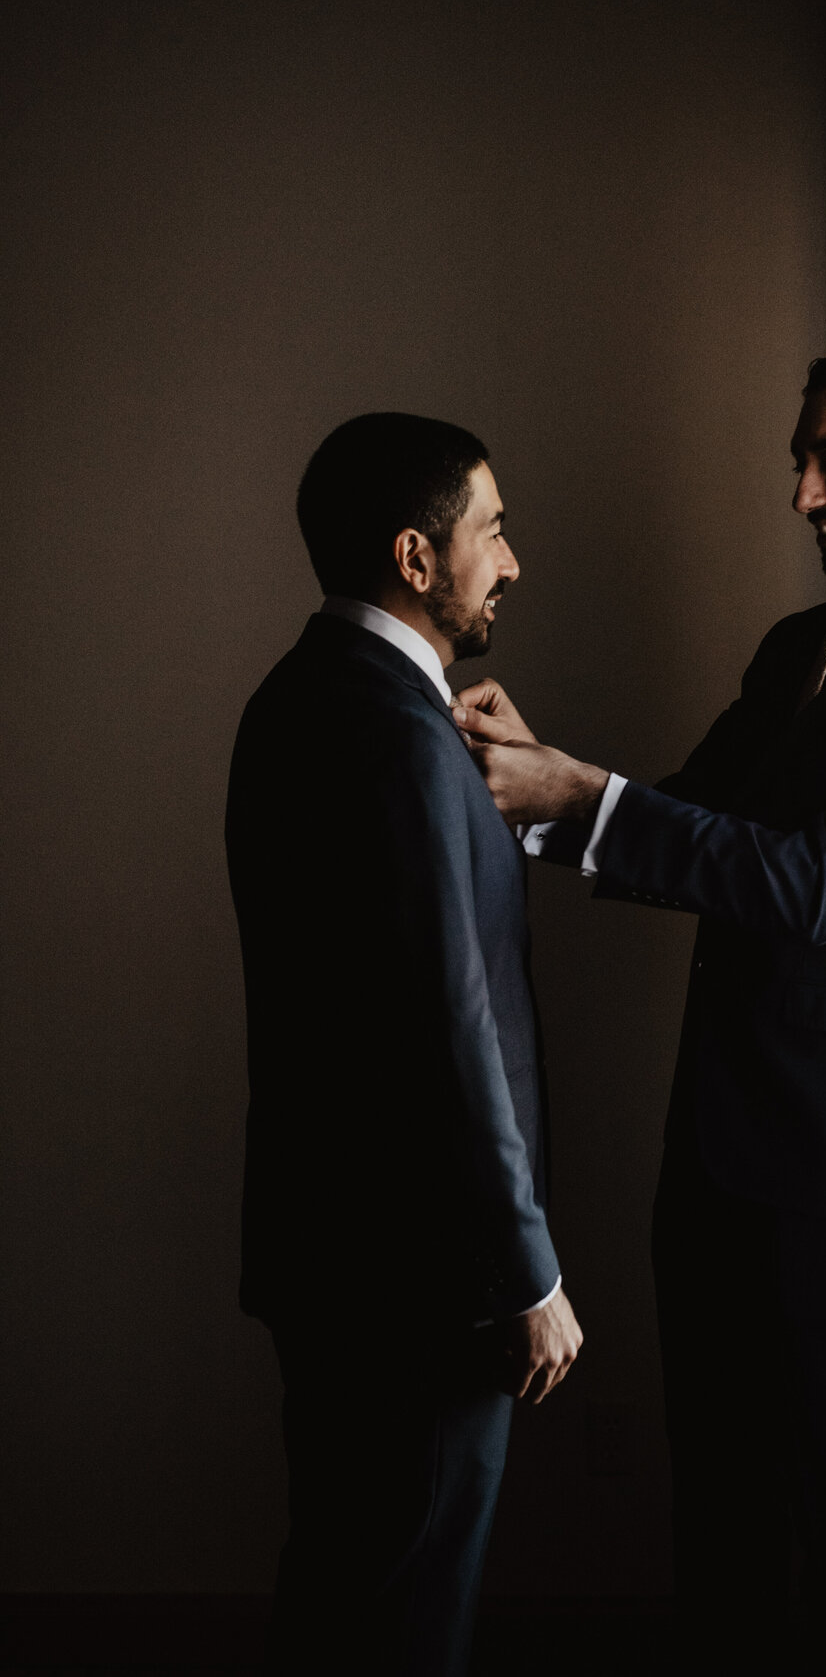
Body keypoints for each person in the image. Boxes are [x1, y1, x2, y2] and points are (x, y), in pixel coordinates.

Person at [453, 342, 826, 1673]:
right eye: (800, 460)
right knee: (715, 1499)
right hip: (720, 1144)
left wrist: (576, 795)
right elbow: (695, 818)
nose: (800, 494)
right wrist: (526, 792)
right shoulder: (799, 645)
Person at [224, 413, 582, 1676]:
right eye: (492, 529)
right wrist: (526, 1271)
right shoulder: (397, 736)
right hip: (424, 1283)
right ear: (416, 558)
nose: (514, 562)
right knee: (406, 1616)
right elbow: (448, 1023)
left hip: (336, 1261)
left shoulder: (298, 697)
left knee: (341, 1586)